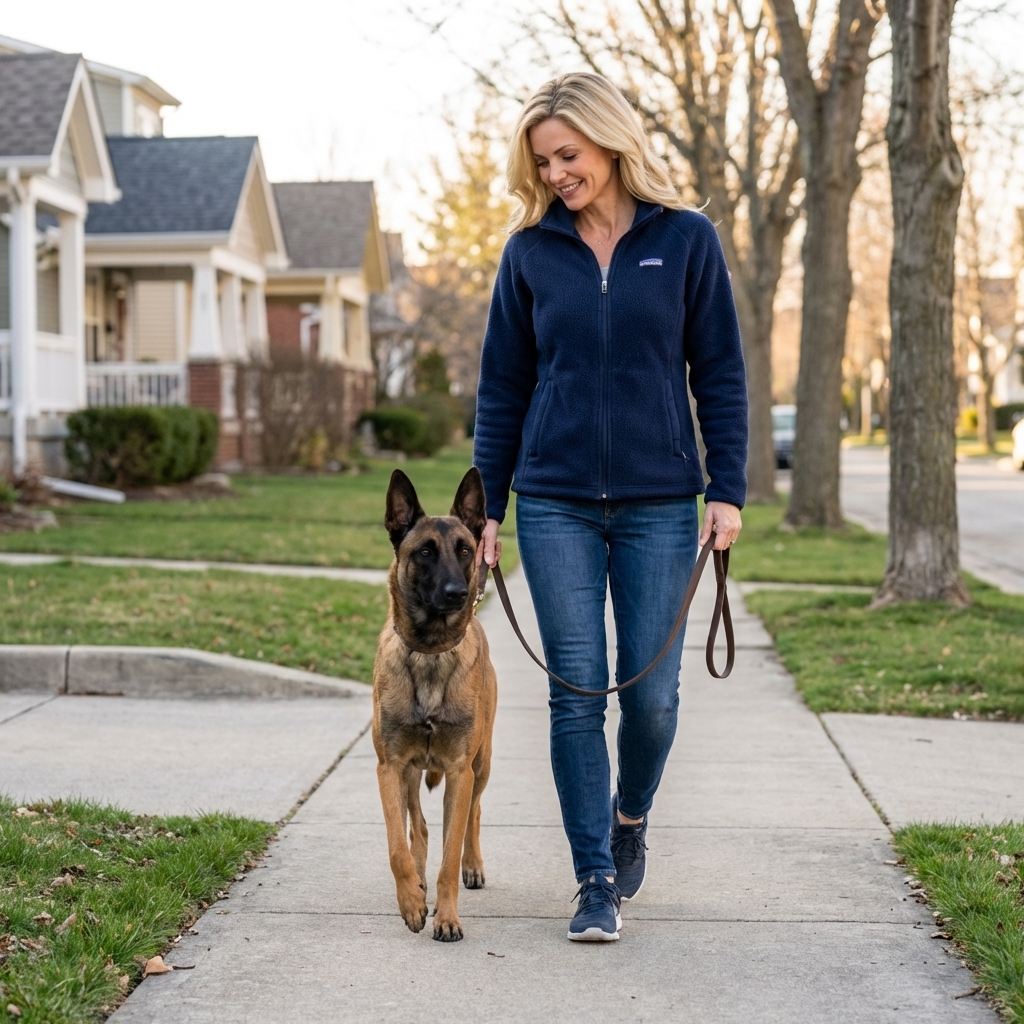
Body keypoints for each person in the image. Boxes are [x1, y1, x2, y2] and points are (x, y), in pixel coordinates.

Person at [472, 72, 747, 942]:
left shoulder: (687, 240)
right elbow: (502, 387)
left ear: (611, 141)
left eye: (568, 155)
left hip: (661, 501)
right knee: (574, 696)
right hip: (553, 502)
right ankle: (594, 876)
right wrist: (490, 505)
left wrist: (727, 487)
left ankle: (631, 816)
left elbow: (722, 372)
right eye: (542, 161)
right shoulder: (528, 255)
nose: (555, 173)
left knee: (655, 699)